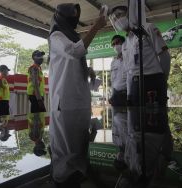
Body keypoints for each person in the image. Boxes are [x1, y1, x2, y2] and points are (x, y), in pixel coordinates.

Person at [48, 3, 106, 187]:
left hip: (79, 101)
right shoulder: (56, 36)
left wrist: (86, 69)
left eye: (76, 15)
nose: (75, 18)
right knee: (69, 147)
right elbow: (74, 52)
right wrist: (96, 26)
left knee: (78, 145)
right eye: (72, 15)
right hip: (65, 102)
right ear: (61, 17)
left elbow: (74, 57)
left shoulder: (71, 37)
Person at [109, 6, 171, 107]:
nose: (118, 20)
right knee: (136, 119)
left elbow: (165, 56)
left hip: (153, 80)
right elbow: (129, 72)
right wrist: (129, 95)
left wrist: (163, 80)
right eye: (114, 19)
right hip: (135, 86)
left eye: (119, 15)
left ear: (130, 14)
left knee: (156, 118)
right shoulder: (125, 44)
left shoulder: (148, 28)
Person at [109, 35, 127, 106]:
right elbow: (113, 80)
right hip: (116, 95)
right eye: (113, 44)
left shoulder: (130, 57)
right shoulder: (113, 62)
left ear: (124, 43)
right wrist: (112, 95)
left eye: (117, 42)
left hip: (128, 93)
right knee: (117, 117)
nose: (115, 46)